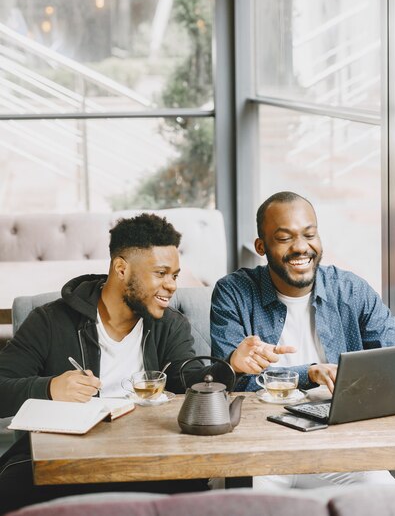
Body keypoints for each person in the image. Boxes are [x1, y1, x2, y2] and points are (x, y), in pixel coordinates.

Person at [0, 213, 264, 513]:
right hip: (68, 464)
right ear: (121, 268)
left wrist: (230, 365)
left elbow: (185, 378)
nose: (171, 285)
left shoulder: (169, 325)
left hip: (148, 460)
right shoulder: (49, 321)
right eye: (161, 273)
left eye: (175, 275)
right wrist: (50, 388)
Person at [211, 191, 395, 489]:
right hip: (258, 451)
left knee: (387, 496)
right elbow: (228, 383)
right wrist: (309, 372)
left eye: (310, 234)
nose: (301, 247)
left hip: (338, 449)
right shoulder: (234, 293)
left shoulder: (350, 290)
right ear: (261, 246)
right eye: (284, 238)